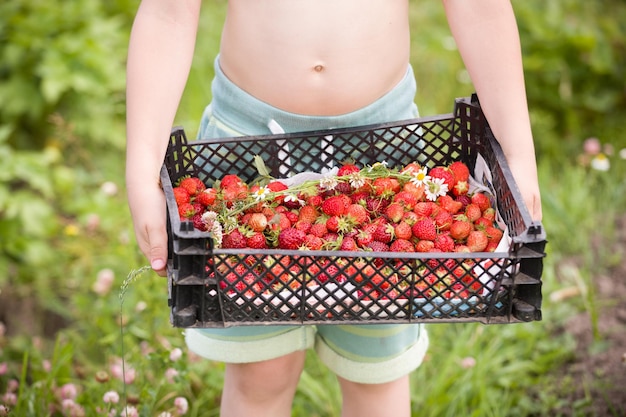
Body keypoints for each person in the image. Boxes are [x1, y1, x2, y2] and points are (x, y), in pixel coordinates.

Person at [125, 1, 543, 416]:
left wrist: (520, 155)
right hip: (247, 149)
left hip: (385, 161)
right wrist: (141, 170)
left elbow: (480, 9)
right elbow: (168, 12)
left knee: (375, 375)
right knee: (259, 377)